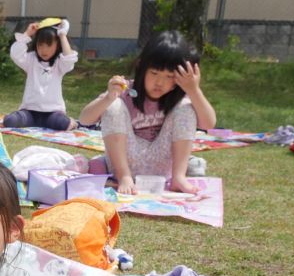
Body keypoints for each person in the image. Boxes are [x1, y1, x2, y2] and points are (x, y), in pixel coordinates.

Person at [78, 30, 215, 195]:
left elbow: (208, 124)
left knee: (186, 108)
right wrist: (108, 97)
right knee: (114, 105)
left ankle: (179, 178)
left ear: (180, 77)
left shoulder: (180, 98)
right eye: (154, 73)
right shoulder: (125, 90)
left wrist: (194, 90)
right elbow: (84, 119)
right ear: (141, 67)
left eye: (169, 76)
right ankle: (123, 176)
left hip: (162, 167)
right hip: (126, 163)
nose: (159, 82)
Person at [3, 19, 78, 131]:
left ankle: (70, 121)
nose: (44, 50)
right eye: (40, 45)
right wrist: (27, 34)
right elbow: (15, 54)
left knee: (63, 124)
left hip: (52, 114)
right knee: (9, 121)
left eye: (48, 45)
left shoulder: (59, 63)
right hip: (29, 112)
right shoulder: (31, 59)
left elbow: (69, 59)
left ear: (57, 45)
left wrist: (62, 35)